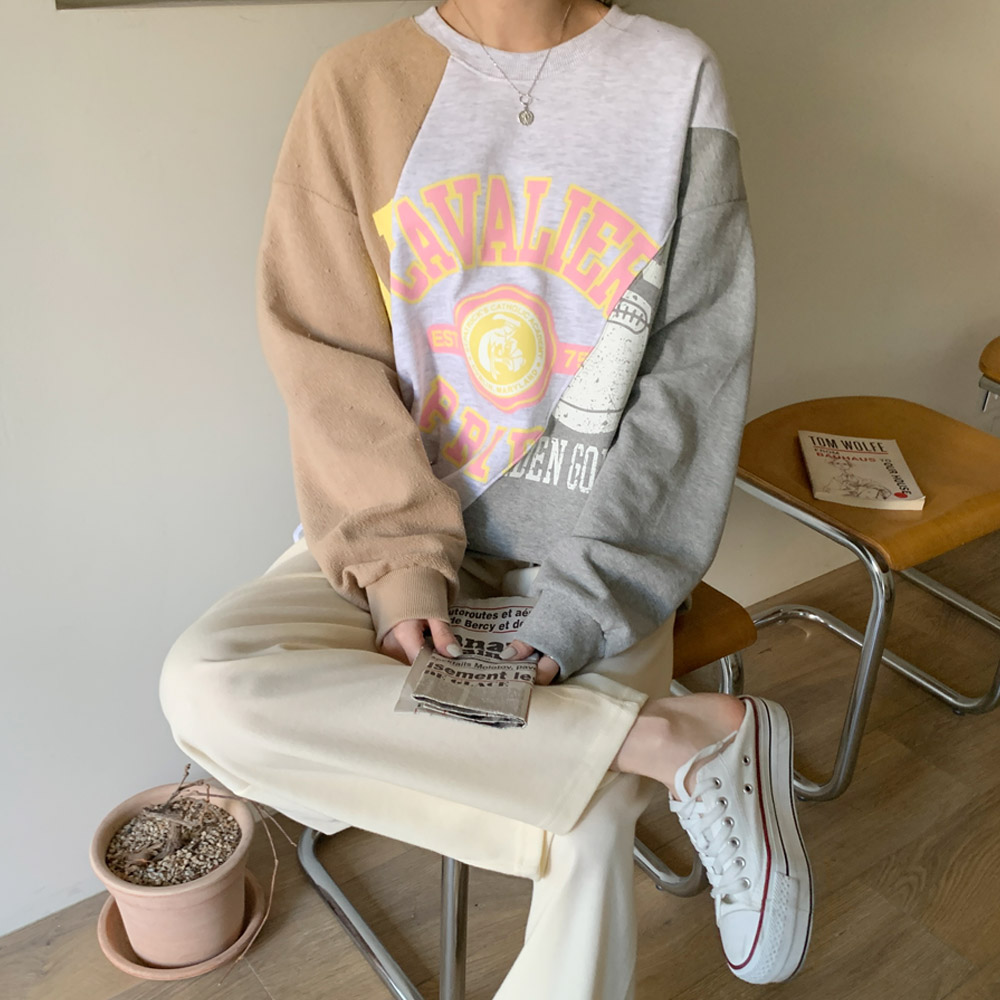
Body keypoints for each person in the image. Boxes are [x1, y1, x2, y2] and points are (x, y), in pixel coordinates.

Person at [159, 1, 814, 996]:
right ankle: (674, 738)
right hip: (394, 531)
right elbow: (325, 355)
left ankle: (615, 753)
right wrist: (399, 567)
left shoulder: (674, 75)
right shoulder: (356, 86)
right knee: (209, 687)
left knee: (583, 831)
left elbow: (696, 373)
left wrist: (588, 602)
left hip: (594, 554)